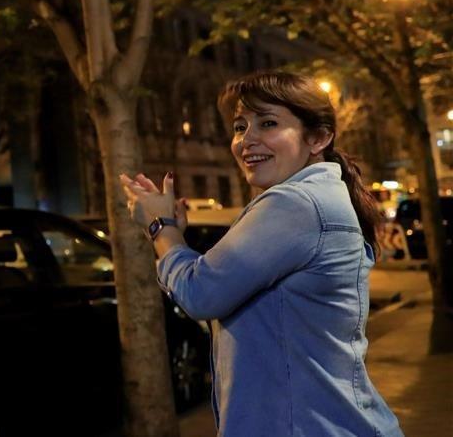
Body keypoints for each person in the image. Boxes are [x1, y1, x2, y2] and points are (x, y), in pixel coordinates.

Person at [120, 71, 401, 436]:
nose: (246, 140)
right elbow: (228, 302)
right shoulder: (318, 198)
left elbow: (200, 293)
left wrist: (161, 229)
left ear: (318, 137)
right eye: (240, 126)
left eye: (268, 123)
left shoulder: (296, 202)